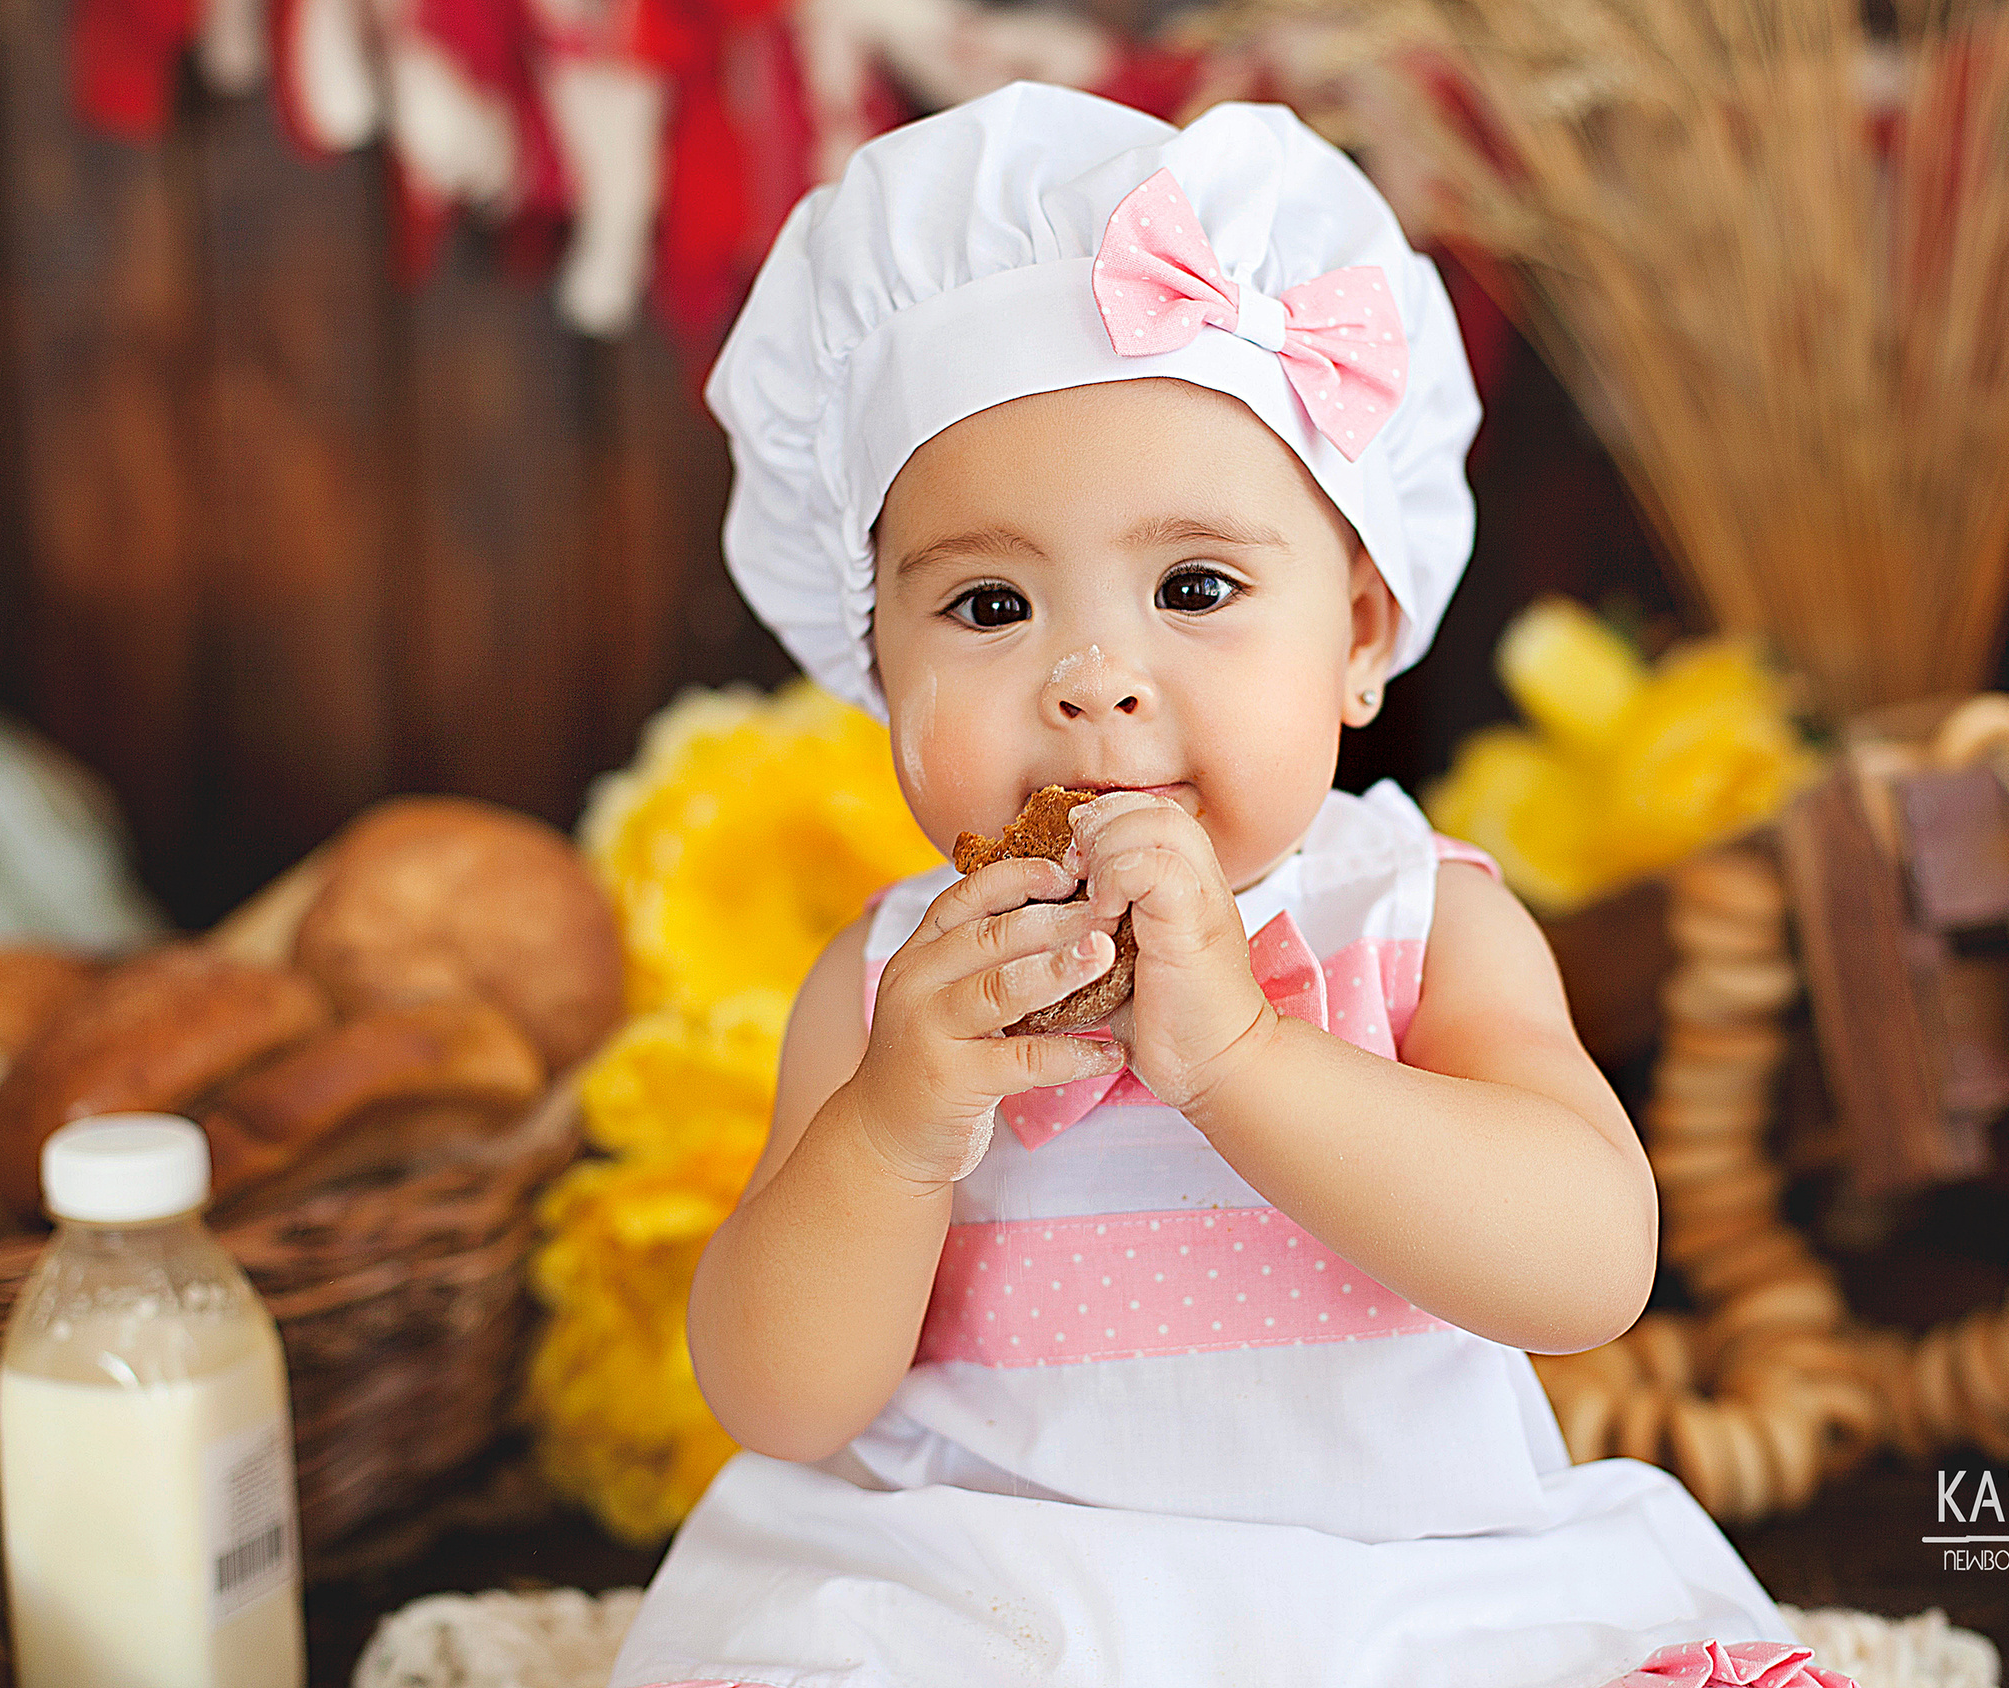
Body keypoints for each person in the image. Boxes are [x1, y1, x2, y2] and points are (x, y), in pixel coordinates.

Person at [610, 81, 1848, 1688]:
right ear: (873, 660)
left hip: (1395, 1594)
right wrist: (890, 1138)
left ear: (1356, 636)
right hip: (984, 1603)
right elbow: (778, 1403)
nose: (1091, 677)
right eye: (986, 605)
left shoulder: (1416, 921)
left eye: (1195, 586)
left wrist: (1248, 1061)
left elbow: (1590, 1269)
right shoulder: (896, 984)